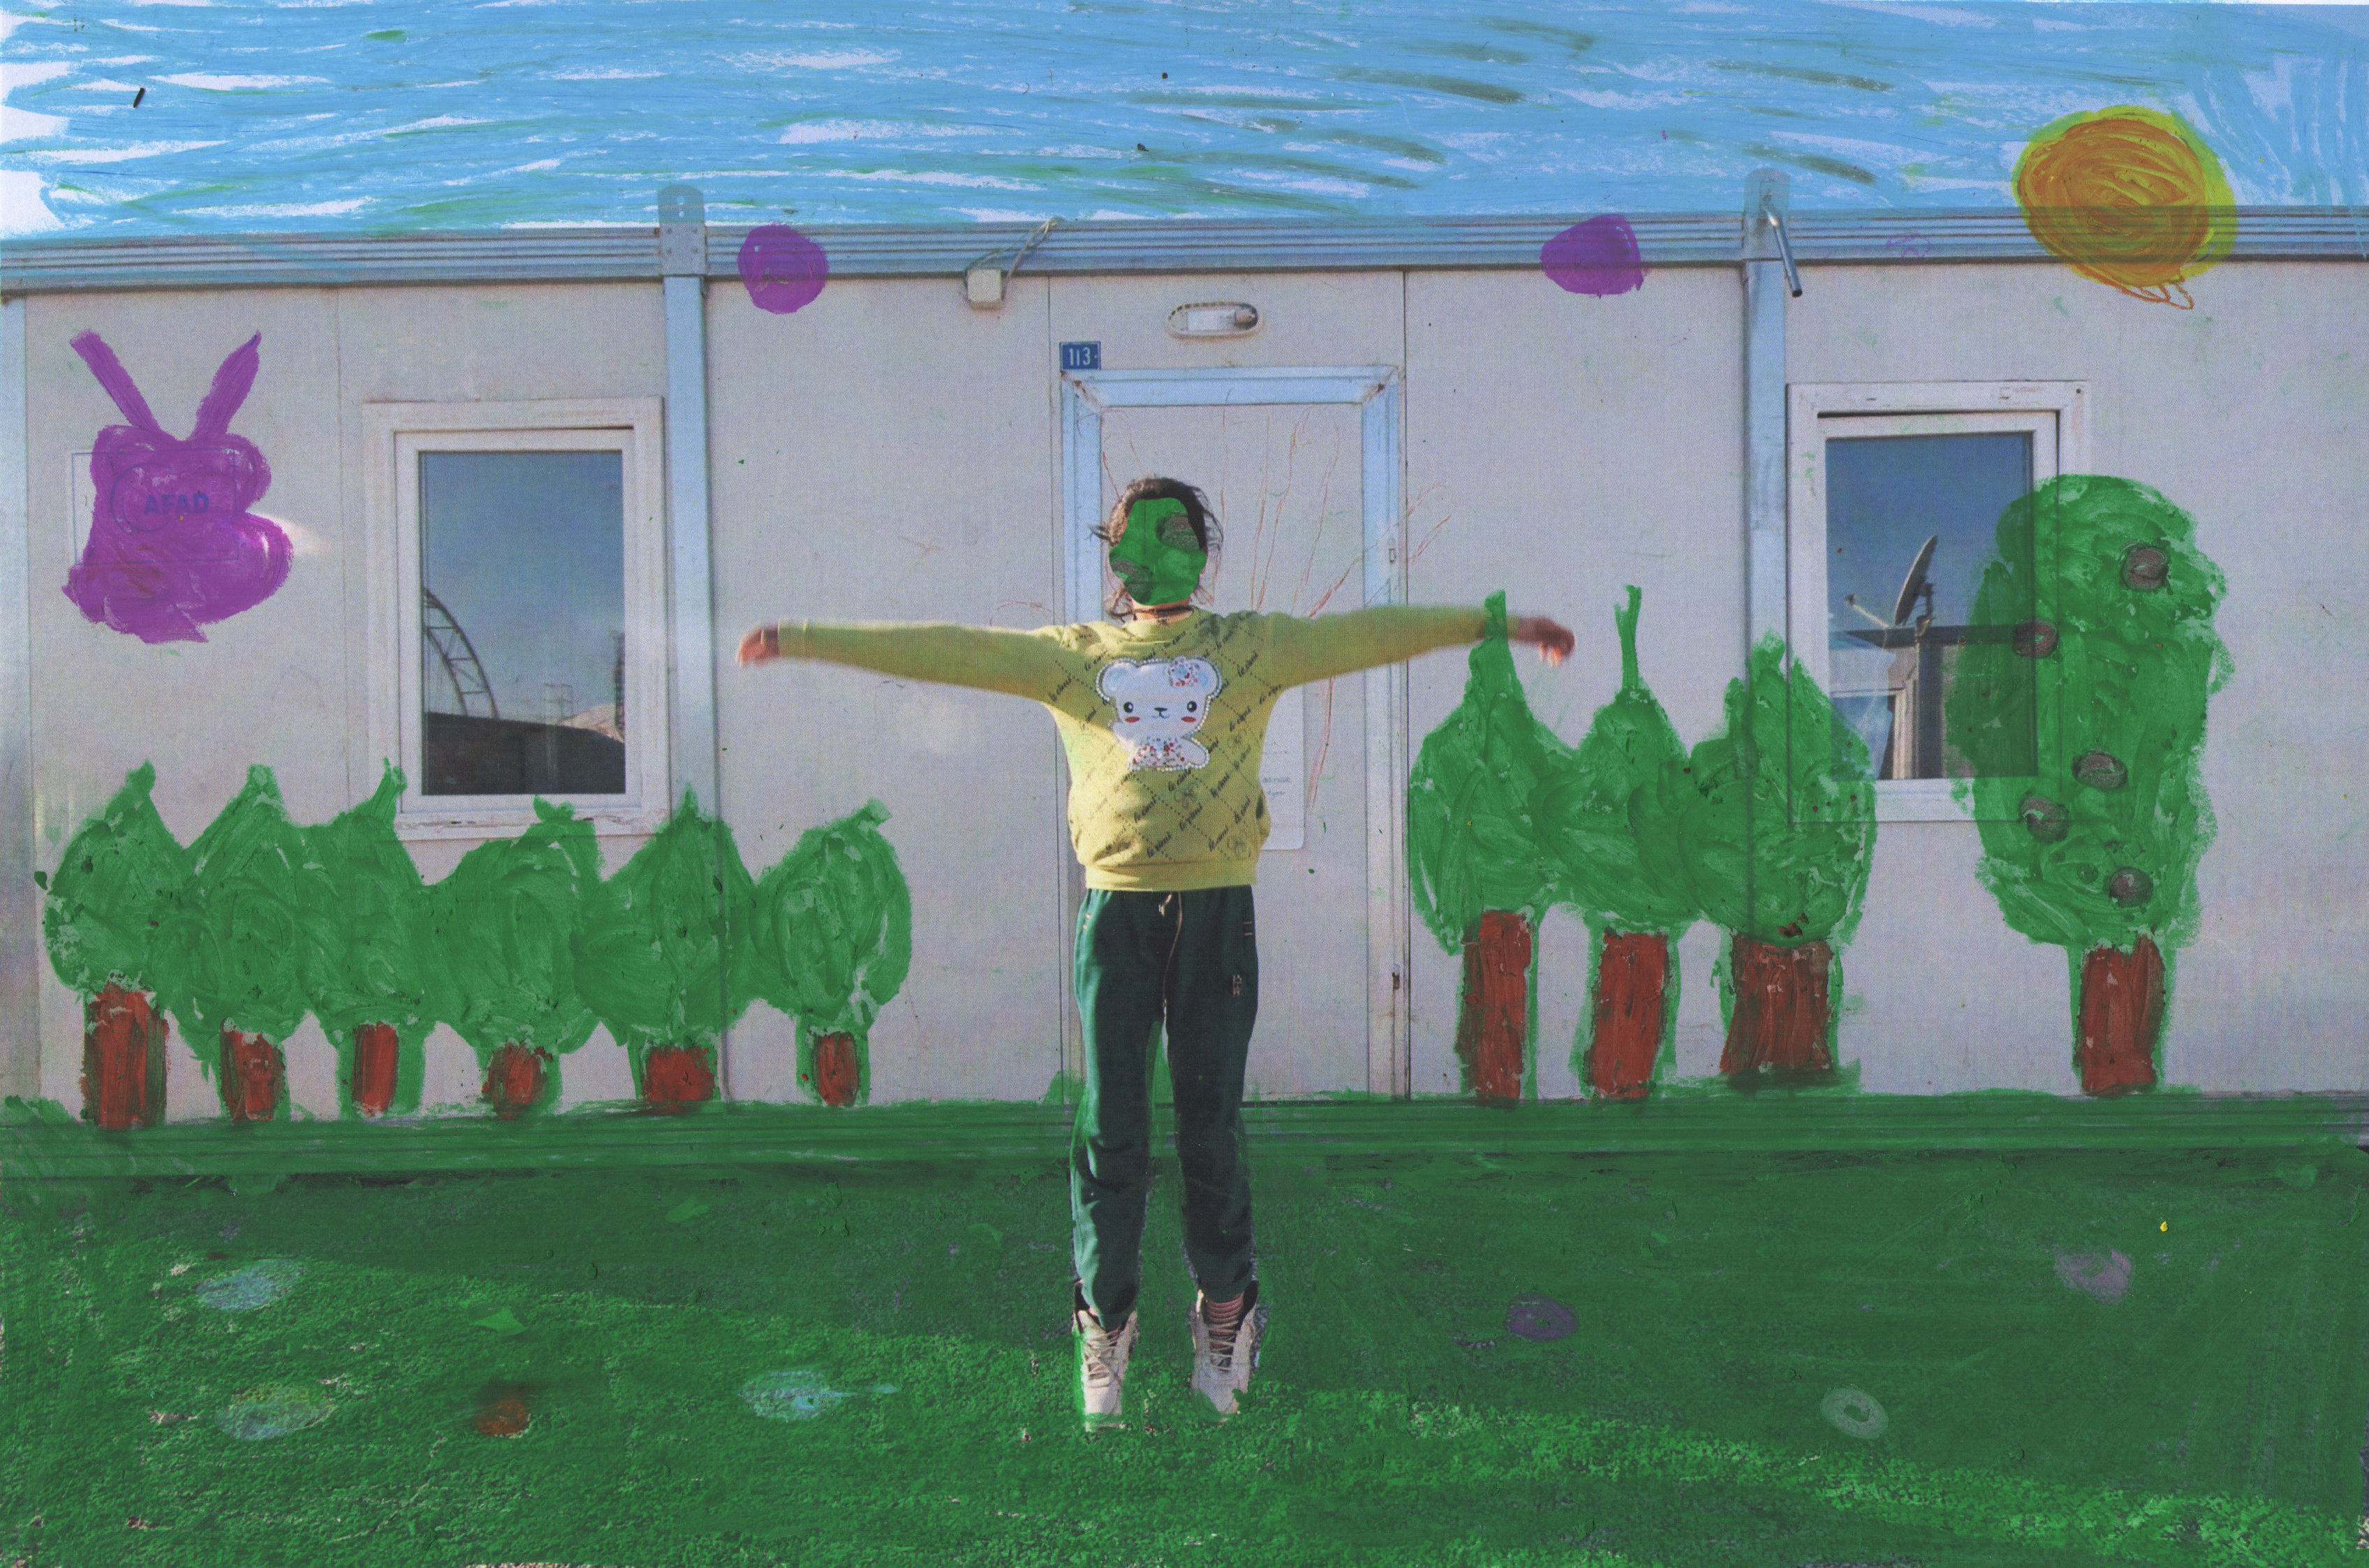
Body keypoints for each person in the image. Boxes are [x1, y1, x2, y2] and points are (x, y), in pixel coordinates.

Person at [737, 475, 1574, 1429]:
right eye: (1135, 536)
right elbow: (953, 650)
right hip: (1117, 915)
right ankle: (1105, 1320)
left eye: (1176, 533)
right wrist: (804, 636)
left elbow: (1368, 633)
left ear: (1201, 552)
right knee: (1111, 1127)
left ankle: (1227, 1312)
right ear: (1116, 555)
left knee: (1209, 1125)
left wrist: (1495, 625)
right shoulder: (1073, 657)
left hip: (1217, 913)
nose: (1154, 550)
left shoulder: (1251, 646)